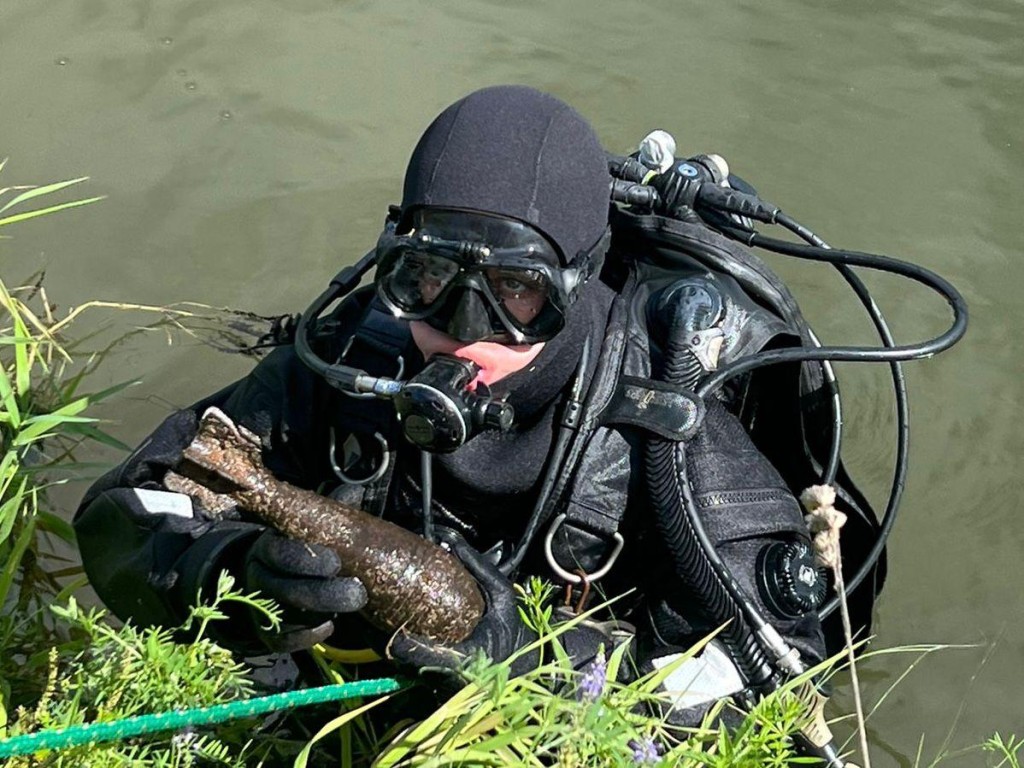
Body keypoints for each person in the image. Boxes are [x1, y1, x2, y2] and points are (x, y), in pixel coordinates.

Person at [74, 86, 884, 731]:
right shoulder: (357, 362)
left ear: (581, 279)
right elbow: (126, 509)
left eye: (516, 291)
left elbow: (774, 670)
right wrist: (229, 573)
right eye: (426, 279)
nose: (460, 331)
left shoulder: (665, 423)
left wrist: (540, 664)